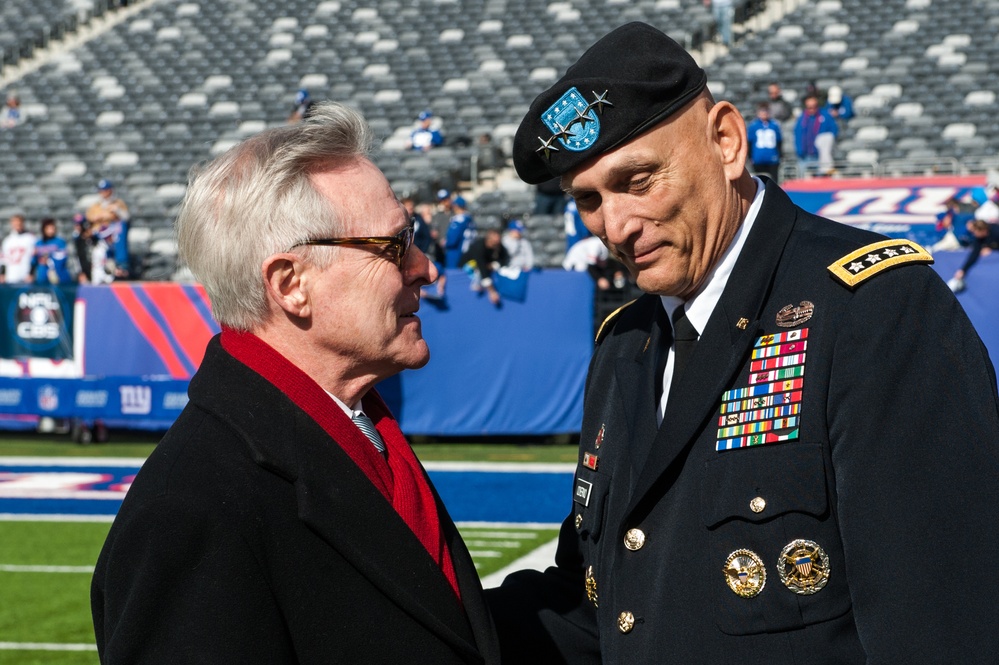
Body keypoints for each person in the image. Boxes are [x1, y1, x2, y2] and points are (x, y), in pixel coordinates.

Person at [486, 22, 999, 664]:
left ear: (725, 141)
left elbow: (943, 627)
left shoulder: (875, 310)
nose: (615, 226)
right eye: (587, 199)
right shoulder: (625, 346)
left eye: (638, 180)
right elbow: (605, 605)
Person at [91, 102, 500, 664]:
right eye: (394, 245)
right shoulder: (191, 510)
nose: (427, 268)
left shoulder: (352, 425)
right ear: (291, 286)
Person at [946, 186, 999, 292]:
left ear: (983, 231)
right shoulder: (980, 238)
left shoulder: (995, 231)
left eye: (976, 233)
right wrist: (963, 271)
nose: (974, 235)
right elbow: (974, 255)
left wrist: (992, 247)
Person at [86, 178, 131, 279]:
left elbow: (126, 218)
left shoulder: (118, 203)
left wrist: (117, 211)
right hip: (98, 238)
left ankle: (120, 267)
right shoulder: (95, 206)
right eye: (101, 190)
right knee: (99, 266)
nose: (103, 193)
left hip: (113, 237)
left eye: (106, 190)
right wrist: (104, 216)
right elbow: (90, 219)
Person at [461, 227, 509, 305]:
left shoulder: (499, 247)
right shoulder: (478, 247)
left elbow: (505, 258)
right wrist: (492, 291)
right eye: (494, 242)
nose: (497, 244)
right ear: (488, 240)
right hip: (467, 269)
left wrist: (494, 265)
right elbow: (482, 268)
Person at [794, 94, 838, 177]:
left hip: (820, 157)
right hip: (805, 157)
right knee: (803, 182)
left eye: (814, 106)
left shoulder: (825, 116)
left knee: (821, 182)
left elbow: (833, 131)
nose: (812, 109)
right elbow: (798, 135)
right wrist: (800, 151)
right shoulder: (801, 119)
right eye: (809, 107)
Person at [746, 101, 782, 182]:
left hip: (772, 158)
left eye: (766, 110)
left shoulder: (774, 125)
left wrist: (779, 155)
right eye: (762, 111)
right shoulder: (753, 126)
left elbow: (779, 141)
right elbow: (750, 142)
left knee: (773, 181)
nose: (764, 113)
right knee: (760, 181)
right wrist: (750, 156)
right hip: (758, 158)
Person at [32, 218, 72, 284]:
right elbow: (33, 261)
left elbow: (62, 258)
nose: (51, 231)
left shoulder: (60, 242)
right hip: (42, 277)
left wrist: (49, 260)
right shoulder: (39, 243)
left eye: (53, 228)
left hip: (58, 277)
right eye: (48, 229)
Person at [0, 213, 36, 283]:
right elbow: (4, 260)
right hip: (11, 276)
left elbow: (34, 258)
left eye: (19, 222)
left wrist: (31, 273)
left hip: (25, 277)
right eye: (15, 222)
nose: (17, 225)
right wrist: (2, 274)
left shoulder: (31, 238)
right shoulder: (7, 241)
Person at [444, 195, 475, 268]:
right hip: (467, 252)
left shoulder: (459, 220)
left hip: (456, 252)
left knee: (453, 275)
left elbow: (452, 240)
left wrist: (446, 243)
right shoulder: (469, 219)